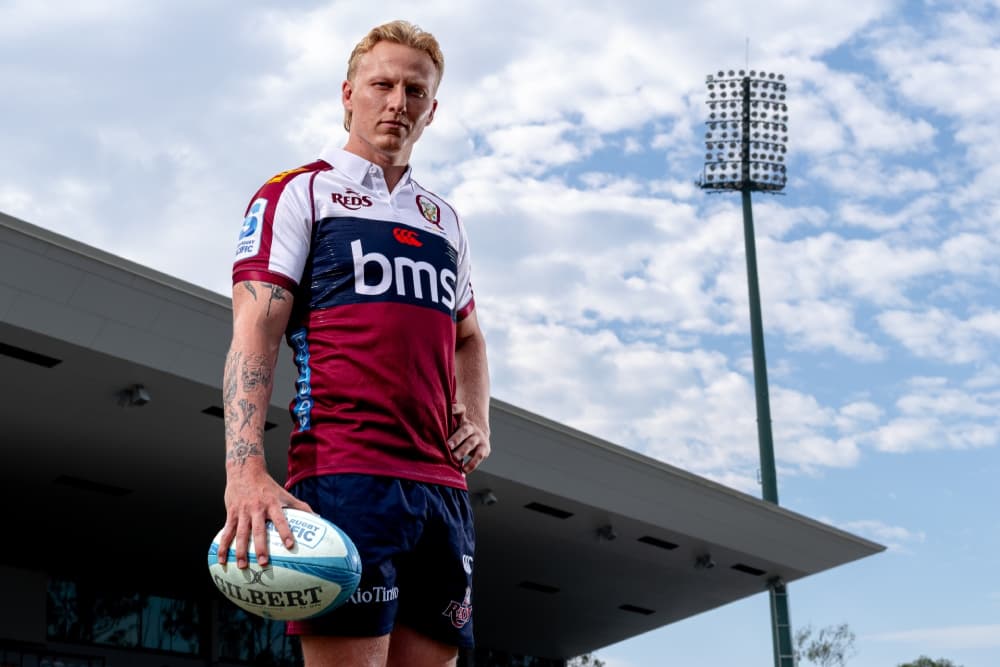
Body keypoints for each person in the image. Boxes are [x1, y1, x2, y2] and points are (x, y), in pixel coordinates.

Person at [216, 20, 491, 667]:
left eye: (415, 91)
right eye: (383, 84)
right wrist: (243, 470)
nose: (398, 102)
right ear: (348, 94)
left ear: (432, 108)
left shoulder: (444, 220)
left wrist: (476, 412)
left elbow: (470, 336)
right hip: (346, 478)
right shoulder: (297, 193)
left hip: (441, 490)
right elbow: (254, 334)